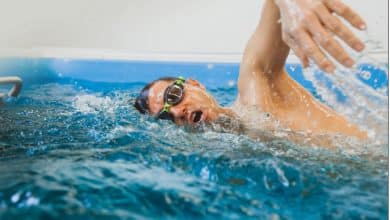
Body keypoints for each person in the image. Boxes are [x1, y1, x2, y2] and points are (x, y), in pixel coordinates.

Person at [134, 0, 368, 147]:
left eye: (173, 96)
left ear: (195, 84)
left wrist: (291, 3)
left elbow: (273, 6)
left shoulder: (258, 86)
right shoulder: (234, 160)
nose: (177, 112)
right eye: (166, 118)